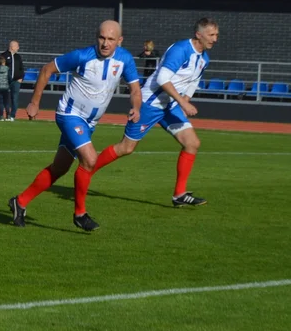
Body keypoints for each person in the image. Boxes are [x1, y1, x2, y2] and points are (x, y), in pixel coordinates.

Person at [9, 20, 141, 232]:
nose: (105, 43)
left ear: (120, 40)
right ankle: (80, 214)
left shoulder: (125, 59)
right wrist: (35, 101)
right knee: (89, 159)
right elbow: (46, 70)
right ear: (96, 37)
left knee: (60, 168)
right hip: (69, 115)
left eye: (110, 39)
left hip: (89, 123)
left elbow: (135, 90)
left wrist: (136, 107)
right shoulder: (82, 56)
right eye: (101, 38)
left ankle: (20, 202)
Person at [89, 18, 219, 208]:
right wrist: (182, 101)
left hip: (170, 105)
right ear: (199, 35)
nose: (215, 39)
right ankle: (86, 171)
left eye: (216, 35)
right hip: (150, 103)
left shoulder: (204, 58)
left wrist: (184, 102)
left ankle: (179, 194)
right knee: (126, 148)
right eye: (211, 35)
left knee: (192, 143)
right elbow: (163, 78)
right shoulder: (181, 50)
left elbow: (192, 83)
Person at [1, 40, 24, 119]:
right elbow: (0, 67)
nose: (18, 48)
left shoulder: (18, 57)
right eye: (17, 46)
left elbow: (21, 68)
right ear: (12, 46)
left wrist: (21, 78)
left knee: (15, 98)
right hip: (6, 80)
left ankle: (12, 115)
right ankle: (7, 114)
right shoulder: (3, 55)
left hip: (16, 81)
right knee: (6, 97)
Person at [0, 54, 12, 121]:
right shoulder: (7, 70)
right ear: (4, 62)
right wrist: (9, 84)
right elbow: (10, 79)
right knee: (6, 102)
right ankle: (8, 115)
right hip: (6, 88)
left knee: (0, 102)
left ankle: (1, 115)